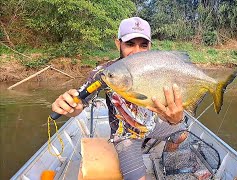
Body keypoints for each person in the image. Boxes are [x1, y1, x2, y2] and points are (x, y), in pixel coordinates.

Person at [52, 17, 186, 180]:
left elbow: (172, 108)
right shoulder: (106, 73)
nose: (136, 51)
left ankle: (165, 162)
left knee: (182, 133)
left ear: (150, 46)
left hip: (152, 125)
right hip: (126, 135)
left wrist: (176, 119)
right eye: (130, 44)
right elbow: (79, 102)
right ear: (118, 44)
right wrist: (70, 106)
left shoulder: (159, 70)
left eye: (143, 45)